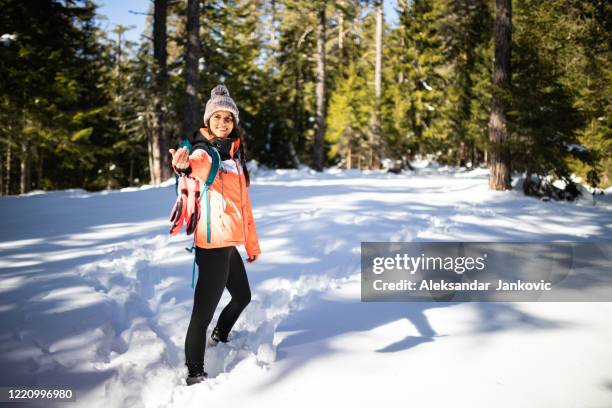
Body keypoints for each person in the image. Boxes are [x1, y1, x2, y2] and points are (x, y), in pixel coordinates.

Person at [168, 84, 261, 386]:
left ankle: (220, 337)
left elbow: (244, 208)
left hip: (228, 243)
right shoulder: (204, 152)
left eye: (229, 118)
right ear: (208, 120)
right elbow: (192, 165)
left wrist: (251, 244)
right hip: (211, 246)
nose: (223, 122)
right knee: (202, 313)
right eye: (217, 117)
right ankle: (195, 372)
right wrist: (182, 166)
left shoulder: (233, 158)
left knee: (243, 297)